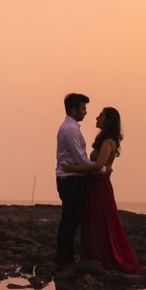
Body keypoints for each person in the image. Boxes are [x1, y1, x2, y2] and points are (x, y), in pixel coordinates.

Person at [61, 107, 144, 274]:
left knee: (100, 221)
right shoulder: (104, 140)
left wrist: (73, 168)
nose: (96, 117)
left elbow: (99, 165)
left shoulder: (108, 142)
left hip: (99, 187)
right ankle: (94, 256)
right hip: (95, 185)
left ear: (108, 120)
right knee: (93, 221)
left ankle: (102, 257)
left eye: (101, 115)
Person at [55, 93, 93, 267]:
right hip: (71, 180)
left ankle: (65, 256)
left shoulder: (71, 128)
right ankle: (64, 258)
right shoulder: (70, 129)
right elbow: (80, 158)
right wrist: (100, 168)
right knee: (70, 220)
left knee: (70, 219)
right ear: (73, 109)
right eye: (83, 108)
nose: (85, 112)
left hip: (71, 179)